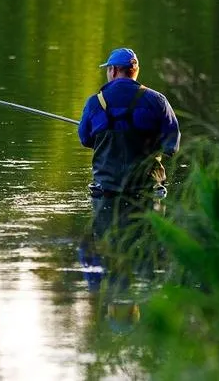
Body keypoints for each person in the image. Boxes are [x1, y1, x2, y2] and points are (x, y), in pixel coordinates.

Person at [76, 48, 180, 289]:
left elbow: (85, 140)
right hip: (147, 190)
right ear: (136, 71)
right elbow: (171, 147)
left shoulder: (95, 103)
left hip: (106, 190)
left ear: (112, 71)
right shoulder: (157, 101)